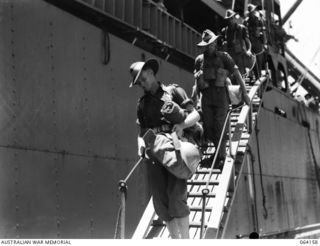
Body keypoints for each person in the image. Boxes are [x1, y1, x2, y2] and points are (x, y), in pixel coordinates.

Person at [129, 58, 201, 238]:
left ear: (152, 73)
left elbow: (196, 114)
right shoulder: (142, 104)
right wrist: (140, 145)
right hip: (154, 152)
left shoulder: (174, 91)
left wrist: (183, 125)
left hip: (174, 148)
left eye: (143, 79)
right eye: (139, 83)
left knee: (176, 197)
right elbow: (141, 132)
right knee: (160, 202)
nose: (142, 84)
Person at [194, 29, 250, 168]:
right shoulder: (199, 60)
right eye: (207, 45)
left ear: (215, 43)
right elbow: (196, 81)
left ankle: (222, 157)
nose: (209, 47)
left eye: (211, 44)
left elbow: (236, 73)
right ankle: (218, 154)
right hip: (206, 98)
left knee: (220, 126)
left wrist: (245, 93)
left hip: (221, 97)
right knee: (208, 127)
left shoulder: (224, 57)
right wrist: (195, 98)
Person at [222, 9, 254, 76]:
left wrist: (249, 50)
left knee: (240, 75)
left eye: (231, 18)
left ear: (234, 18)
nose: (230, 20)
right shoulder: (225, 31)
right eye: (229, 19)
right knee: (231, 76)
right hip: (230, 57)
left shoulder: (242, 28)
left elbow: (248, 41)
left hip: (240, 55)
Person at [244, 4, 265, 79]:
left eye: (253, 11)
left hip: (258, 44)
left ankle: (258, 78)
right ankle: (251, 77)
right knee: (250, 62)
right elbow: (244, 34)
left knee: (258, 62)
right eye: (252, 11)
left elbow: (263, 32)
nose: (253, 12)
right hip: (249, 44)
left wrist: (264, 43)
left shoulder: (259, 20)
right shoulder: (246, 22)